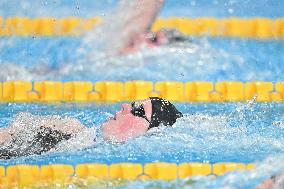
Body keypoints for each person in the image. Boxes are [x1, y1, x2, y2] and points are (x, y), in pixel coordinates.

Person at [0, 97, 182, 159]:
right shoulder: (70, 131)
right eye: (132, 104)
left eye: (138, 110)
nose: (126, 106)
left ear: (154, 134)